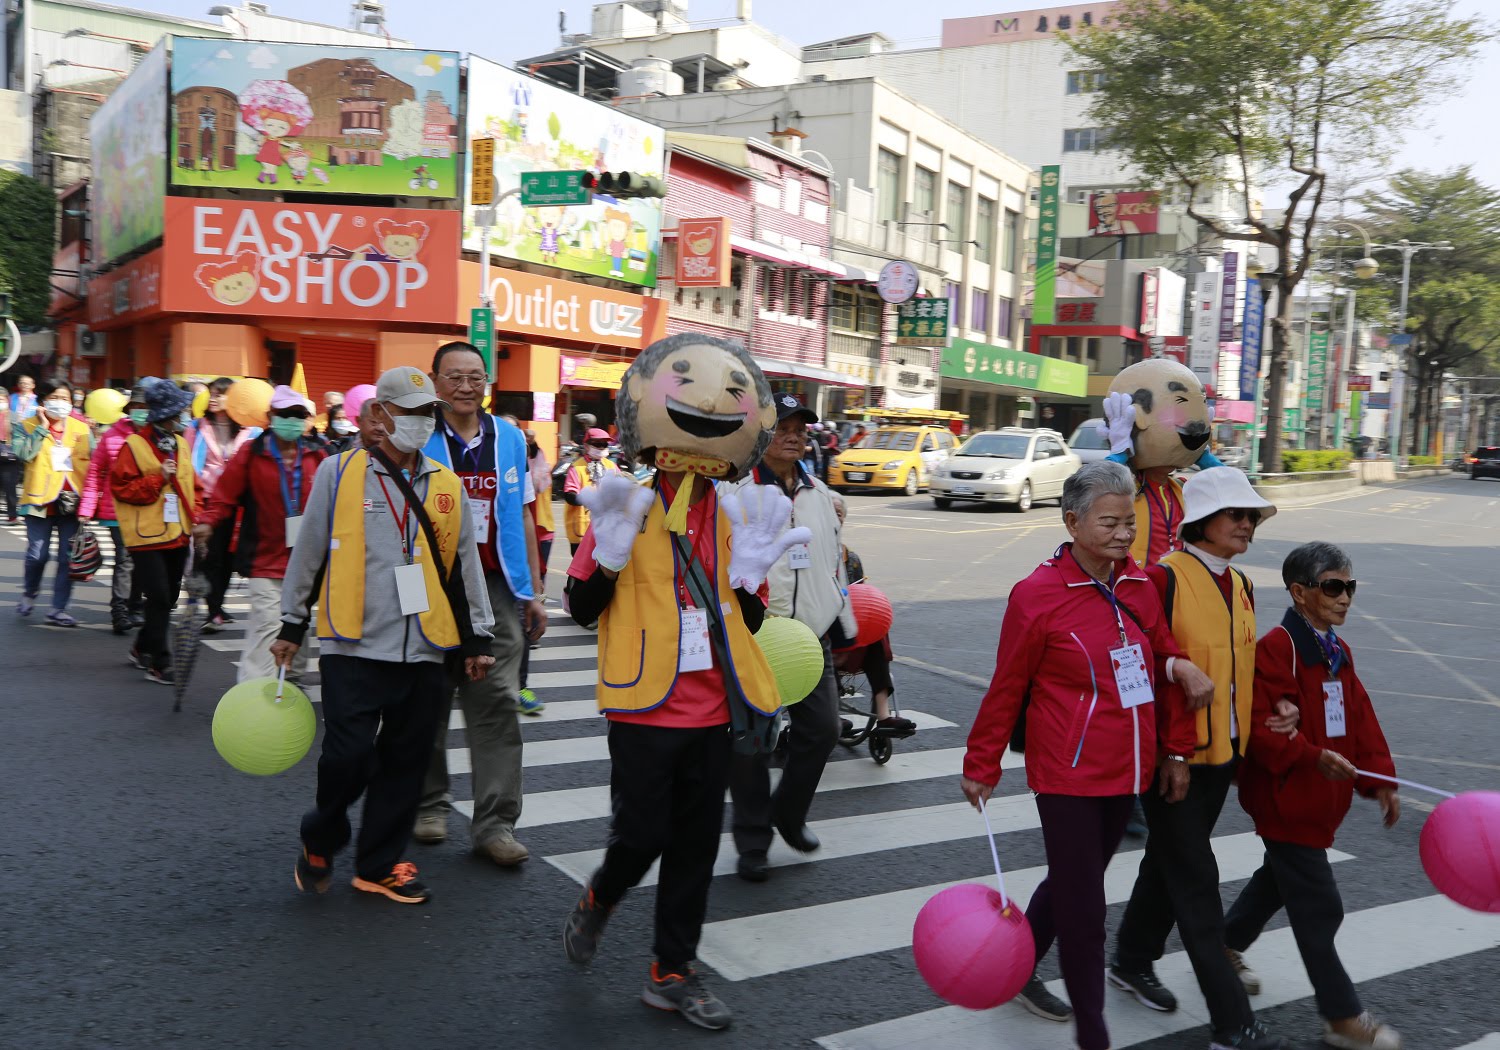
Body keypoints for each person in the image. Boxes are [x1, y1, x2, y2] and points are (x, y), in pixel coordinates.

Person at [960, 461, 1211, 1050]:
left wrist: (1175, 748)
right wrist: (981, 764)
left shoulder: (1142, 584)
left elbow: (1162, 655)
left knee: (1075, 882)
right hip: (1067, 772)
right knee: (1086, 908)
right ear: (1071, 521)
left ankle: (1018, 969)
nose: (1124, 534)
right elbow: (1007, 686)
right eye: (1109, 522)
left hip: (1130, 768)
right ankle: (1094, 1033)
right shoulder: (1036, 595)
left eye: (1130, 522)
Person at [272, 366, 496, 906]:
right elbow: (309, 553)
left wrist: (478, 639)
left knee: (406, 761)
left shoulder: (446, 485)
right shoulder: (338, 472)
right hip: (353, 642)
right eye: (411, 411)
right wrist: (292, 624)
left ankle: (377, 865)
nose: (421, 422)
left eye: (428, 413)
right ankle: (322, 834)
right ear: (380, 415)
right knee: (346, 757)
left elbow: (463, 565)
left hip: (426, 644)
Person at [1111, 467, 1292, 1050]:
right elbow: (1143, 672)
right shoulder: (1161, 580)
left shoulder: (1240, 585)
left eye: (1251, 516)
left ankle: (1131, 958)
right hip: (1175, 760)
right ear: (1201, 522)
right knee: (1197, 880)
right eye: (1236, 515)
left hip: (1225, 756)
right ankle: (1232, 1021)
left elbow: (1243, 674)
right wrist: (1172, 752)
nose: (1247, 525)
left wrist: (1278, 712)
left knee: (1168, 862)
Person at [1224, 542, 1402, 1050]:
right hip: (1286, 796)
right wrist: (1308, 755)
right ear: (1300, 593)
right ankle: (1342, 1016)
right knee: (1319, 905)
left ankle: (1224, 944)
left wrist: (1381, 781)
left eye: (1349, 587)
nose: (1345, 597)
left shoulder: (1336, 651)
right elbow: (1263, 726)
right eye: (1333, 587)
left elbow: (1362, 720)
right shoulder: (1277, 648)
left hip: (1320, 797)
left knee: (1278, 882)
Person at [412, 343, 547, 867]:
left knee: (497, 706)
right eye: (455, 377)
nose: (466, 387)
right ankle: (429, 804)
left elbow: (525, 515)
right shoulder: (418, 436)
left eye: (475, 376)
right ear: (435, 381)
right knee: (426, 701)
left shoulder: (510, 439)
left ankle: (495, 825)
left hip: (494, 588)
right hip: (431, 586)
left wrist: (532, 591)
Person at [729, 395, 854, 882]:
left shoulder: (820, 494)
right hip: (755, 634)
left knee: (823, 729)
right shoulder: (736, 491)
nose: (795, 434)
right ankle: (753, 841)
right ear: (760, 431)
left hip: (810, 637)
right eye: (783, 425)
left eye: (802, 426)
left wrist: (840, 616)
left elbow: (831, 561)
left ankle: (788, 811)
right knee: (751, 745)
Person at [193, 386, 325, 684]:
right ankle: (252, 695)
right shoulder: (251, 454)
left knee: (298, 628)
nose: (291, 420)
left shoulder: (317, 455)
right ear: (270, 417)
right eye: (285, 415)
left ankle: (289, 689)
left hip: (306, 565)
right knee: (267, 628)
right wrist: (208, 523)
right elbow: (224, 496)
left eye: (298, 415)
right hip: (265, 561)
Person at [109, 381, 199, 683]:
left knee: (168, 596)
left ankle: (142, 646)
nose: (186, 415)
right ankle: (160, 662)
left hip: (179, 533)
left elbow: (193, 487)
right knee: (159, 596)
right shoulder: (133, 446)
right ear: (169, 414)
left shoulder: (182, 444)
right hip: (145, 537)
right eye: (181, 410)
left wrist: (199, 519)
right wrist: (157, 479)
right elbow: (121, 489)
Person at [831, 492, 914, 733]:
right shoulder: (808, 551)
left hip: (851, 630)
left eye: (839, 513)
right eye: (830, 512)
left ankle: (884, 714)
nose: (835, 517)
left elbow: (861, 598)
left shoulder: (851, 558)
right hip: (820, 627)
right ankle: (830, 713)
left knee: (878, 636)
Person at [14, 382, 92, 626]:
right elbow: (24, 454)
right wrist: (42, 429)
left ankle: (58, 608)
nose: (60, 401)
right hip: (39, 502)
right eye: (55, 396)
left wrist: (90, 503)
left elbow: (94, 466)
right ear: (44, 400)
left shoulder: (82, 429)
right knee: (37, 555)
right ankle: (30, 591)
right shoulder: (25, 426)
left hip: (71, 504)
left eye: (65, 397)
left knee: (67, 559)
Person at [80, 382, 153, 634]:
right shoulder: (112, 436)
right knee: (125, 558)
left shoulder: (159, 436)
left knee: (142, 560)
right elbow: (95, 474)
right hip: (117, 511)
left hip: (149, 510)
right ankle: (119, 610)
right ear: (129, 409)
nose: (141, 411)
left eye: (146, 407)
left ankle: (135, 605)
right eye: (137, 407)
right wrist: (87, 508)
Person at [190, 378, 255, 632]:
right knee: (207, 556)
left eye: (221, 394)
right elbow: (188, 463)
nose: (214, 398)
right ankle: (210, 607)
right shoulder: (197, 427)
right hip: (205, 500)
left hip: (236, 504)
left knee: (228, 558)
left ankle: (215, 605)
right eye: (212, 393)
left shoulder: (251, 431)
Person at [563, 427, 620, 555]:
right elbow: (569, 495)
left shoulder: (611, 466)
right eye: (597, 444)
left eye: (604, 444)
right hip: (582, 528)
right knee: (581, 572)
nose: (601, 447)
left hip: (606, 528)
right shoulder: (576, 467)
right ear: (586, 446)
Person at [0, 386, 21, 524]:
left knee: (10, 488)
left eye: (2, 398)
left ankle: (12, 516)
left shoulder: (13, 416)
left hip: (9, 456)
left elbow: (20, 435)